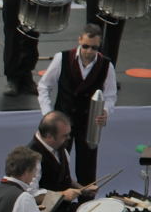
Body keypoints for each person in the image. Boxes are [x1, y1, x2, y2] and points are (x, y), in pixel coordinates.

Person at [37, 24, 116, 185]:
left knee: (87, 171)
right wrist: (48, 115)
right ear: (79, 40)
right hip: (62, 123)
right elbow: (44, 86)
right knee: (57, 168)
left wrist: (106, 112)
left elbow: (110, 95)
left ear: (99, 46)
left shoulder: (106, 65)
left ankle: (86, 205)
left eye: (94, 48)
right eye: (85, 46)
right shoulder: (62, 58)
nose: (89, 51)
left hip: (88, 124)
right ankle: (58, 204)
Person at [28, 111, 88, 212]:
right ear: (49, 136)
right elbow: (31, 196)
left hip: (64, 209)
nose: (68, 138)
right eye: (65, 135)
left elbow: (63, 177)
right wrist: (63, 195)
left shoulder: (59, 146)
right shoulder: (31, 157)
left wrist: (82, 188)